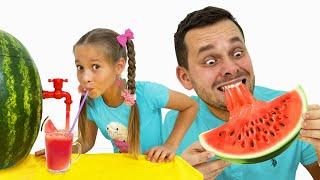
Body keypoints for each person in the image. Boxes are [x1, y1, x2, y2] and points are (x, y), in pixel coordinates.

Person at [162, 6, 320, 179]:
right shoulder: (172, 125)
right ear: (185, 77)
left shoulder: (293, 113)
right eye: (210, 61)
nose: (231, 68)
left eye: (237, 53)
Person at [73, 28, 198, 163]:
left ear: (119, 67)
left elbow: (190, 106)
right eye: (80, 67)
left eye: (95, 66)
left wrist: (170, 145)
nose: (85, 78)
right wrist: (60, 149)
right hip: (124, 170)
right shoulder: (91, 102)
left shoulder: (147, 93)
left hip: (155, 170)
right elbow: (86, 142)